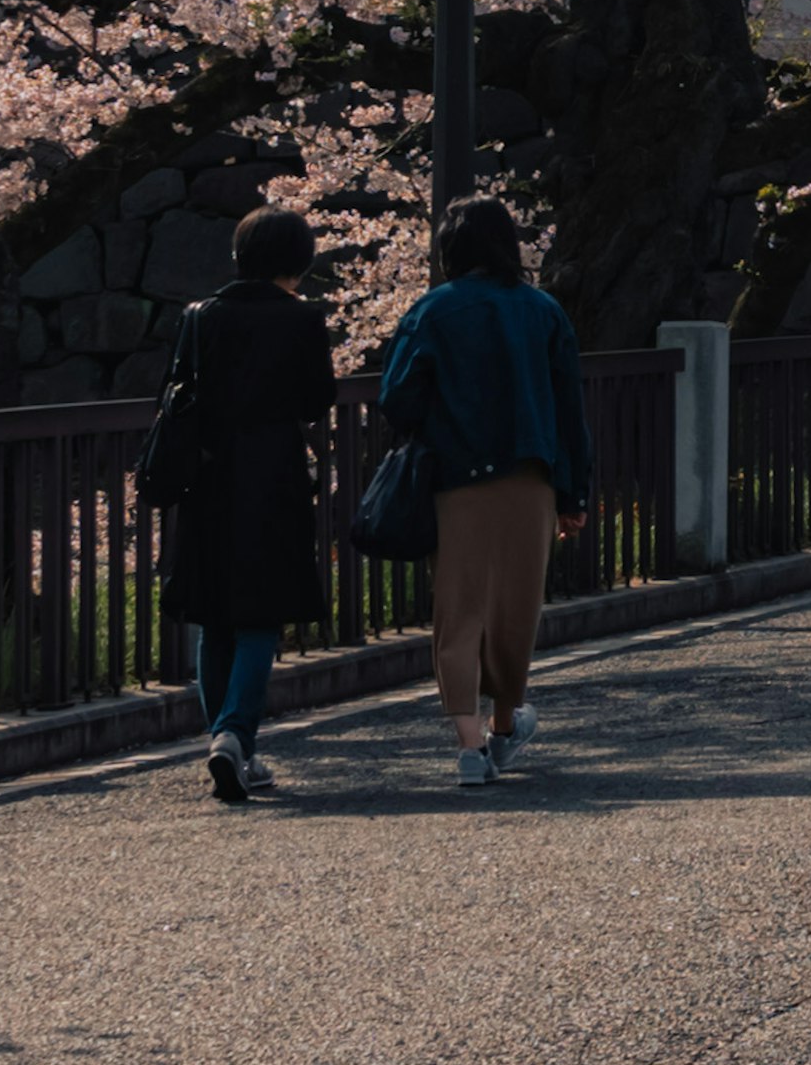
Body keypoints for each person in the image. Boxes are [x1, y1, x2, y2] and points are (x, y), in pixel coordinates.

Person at [375, 196, 592, 790]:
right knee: (515, 609)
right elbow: (570, 412)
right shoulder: (544, 312)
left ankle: (470, 746)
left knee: (459, 608)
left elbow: (398, 399)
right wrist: (573, 495)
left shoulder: (433, 311)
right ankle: (503, 727)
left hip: (457, 478)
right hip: (531, 480)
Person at [155, 205, 336, 805]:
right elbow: (316, 400)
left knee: (216, 617)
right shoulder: (303, 320)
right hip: (275, 476)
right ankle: (235, 737)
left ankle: (227, 742)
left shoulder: (201, 317)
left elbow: (177, 392)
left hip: (209, 478)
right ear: (300, 260)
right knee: (262, 615)